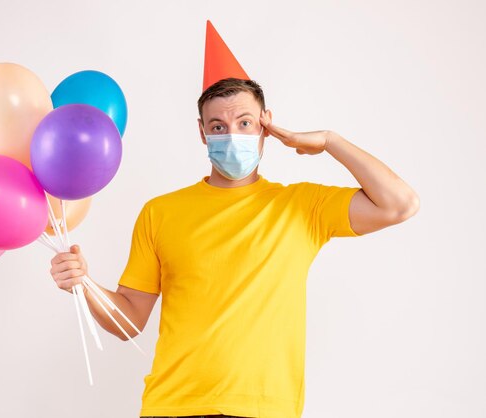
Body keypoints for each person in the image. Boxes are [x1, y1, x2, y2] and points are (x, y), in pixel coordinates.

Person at [49, 21, 419, 418]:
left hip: (267, 410)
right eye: (218, 127)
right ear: (202, 133)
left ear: (266, 123)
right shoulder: (160, 212)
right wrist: (82, 284)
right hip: (174, 407)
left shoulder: (302, 205)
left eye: (245, 122)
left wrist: (329, 141)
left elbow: (399, 204)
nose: (232, 135)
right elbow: (128, 322)